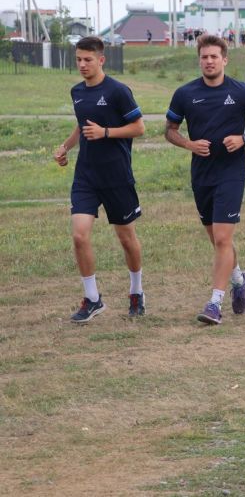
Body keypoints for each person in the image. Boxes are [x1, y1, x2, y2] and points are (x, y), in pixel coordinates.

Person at [165, 34, 245, 324]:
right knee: (217, 240)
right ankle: (239, 280)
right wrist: (188, 144)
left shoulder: (241, 92)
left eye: (214, 56)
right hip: (201, 175)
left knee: (224, 237)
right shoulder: (185, 93)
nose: (209, 61)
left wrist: (244, 137)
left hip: (231, 173)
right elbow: (170, 130)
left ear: (225, 59)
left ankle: (214, 303)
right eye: (204, 57)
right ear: (199, 60)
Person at [54, 36, 146, 323]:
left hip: (116, 176)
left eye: (88, 60)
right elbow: (82, 127)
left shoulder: (118, 91)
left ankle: (136, 290)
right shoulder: (77, 92)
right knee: (79, 235)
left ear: (101, 60)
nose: (82, 65)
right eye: (78, 59)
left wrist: (106, 132)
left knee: (126, 237)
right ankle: (93, 299)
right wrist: (65, 148)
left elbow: (139, 127)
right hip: (86, 176)